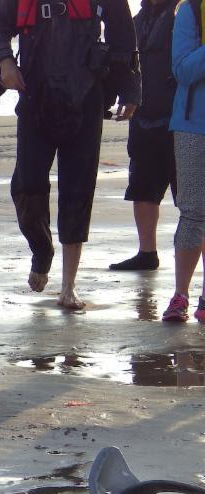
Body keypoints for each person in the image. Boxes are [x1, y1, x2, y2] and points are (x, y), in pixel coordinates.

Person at [0, 0, 140, 310]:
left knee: (78, 191)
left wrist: (130, 89)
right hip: (35, 98)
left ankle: (68, 286)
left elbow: (123, 36)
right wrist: (5, 61)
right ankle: (42, 250)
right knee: (27, 186)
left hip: (85, 99)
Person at [110, 0, 178, 272]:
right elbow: (122, 65)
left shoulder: (184, 16)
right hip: (143, 118)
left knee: (189, 196)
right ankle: (147, 253)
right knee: (142, 188)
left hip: (178, 120)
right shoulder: (135, 21)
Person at [160, 0, 205, 322]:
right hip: (193, 128)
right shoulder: (192, 9)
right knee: (193, 212)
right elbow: (183, 71)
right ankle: (181, 295)